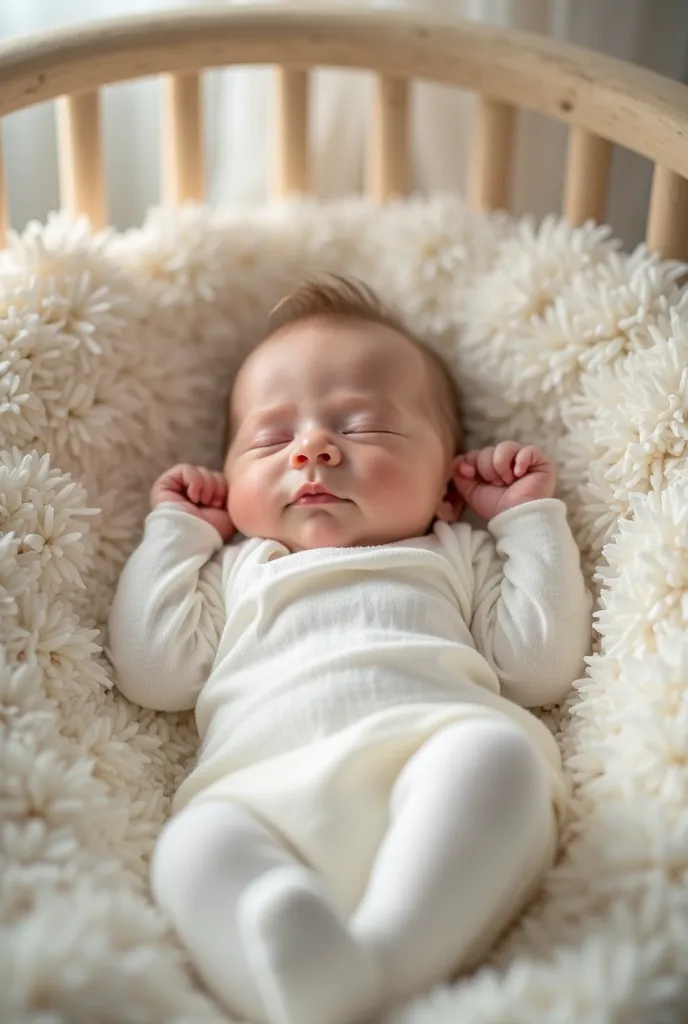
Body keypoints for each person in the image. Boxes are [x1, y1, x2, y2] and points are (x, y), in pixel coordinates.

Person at [107, 276, 591, 1024]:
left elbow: (536, 667)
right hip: (261, 802)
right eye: (270, 439)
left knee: (499, 760)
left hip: (432, 766)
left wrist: (529, 522)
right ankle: (307, 979)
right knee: (191, 848)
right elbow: (154, 671)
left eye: (363, 428)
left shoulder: (451, 552)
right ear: (231, 482)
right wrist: (177, 535)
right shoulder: (241, 567)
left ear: (447, 487)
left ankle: (379, 967)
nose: (313, 450)